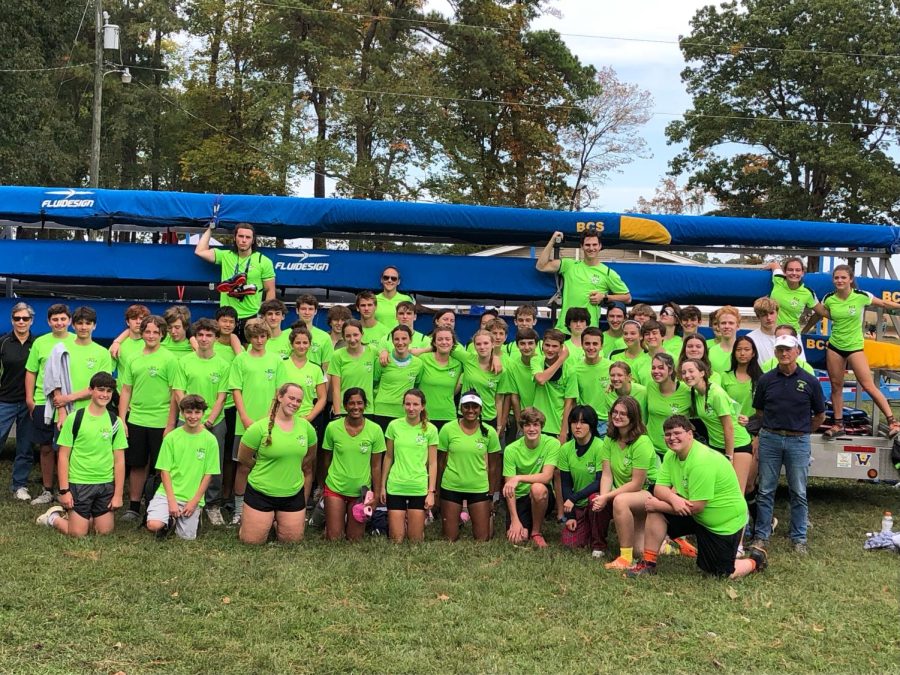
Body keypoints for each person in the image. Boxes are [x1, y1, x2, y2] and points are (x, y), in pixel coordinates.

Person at [624, 416, 767, 578]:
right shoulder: (671, 456)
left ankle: (756, 560)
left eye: (677, 433)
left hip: (723, 523)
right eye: (668, 434)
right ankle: (648, 564)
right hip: (697, 514)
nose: (672, 438)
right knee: (657, 509)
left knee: (721, 574)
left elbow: (697, 507)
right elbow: (659, 488)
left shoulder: (701, 461)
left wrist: (658, 505)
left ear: (690, 434)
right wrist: (673, 499)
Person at [750, 334, 826, 555]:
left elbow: (820, 415)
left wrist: (802, 432)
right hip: (771, 438)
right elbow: (760, 411)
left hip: (798, 440)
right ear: (775, 353)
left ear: (797, 352)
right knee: (765, 489)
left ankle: (799, 537)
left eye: (788, 349)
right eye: (780, 350)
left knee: (798, 491)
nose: (784, 353)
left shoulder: (810, 381)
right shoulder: (766, 379)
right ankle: (761, 535)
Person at [805, 264, 900, 437]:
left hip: (855, 348)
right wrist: (804, 330)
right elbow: (818, 314)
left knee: (868, 385)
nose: (839, 281)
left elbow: (884, 303)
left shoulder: (861, 296)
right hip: (835, 347)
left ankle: (893, 421)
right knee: (836, 386)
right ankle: (838, 425)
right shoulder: (829, 298)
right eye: (836, 278)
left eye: (843, 277)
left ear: (850, 279)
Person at [35, 373, 126, 538]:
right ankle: (53, 518)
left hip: (105, 484)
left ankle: (85, 517)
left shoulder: (115, 422)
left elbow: (119, 460)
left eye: (109, 391)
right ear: (91, 390)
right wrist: (64, 491)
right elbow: (63, 456)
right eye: (100, 390)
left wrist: (118, 494)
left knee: (104, 532)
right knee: (78, 533)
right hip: (79, 483)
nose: (104, 394)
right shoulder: (75, 418)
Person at [235, 383, 318, 544]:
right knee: (251, 542)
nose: (294, 403)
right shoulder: (258, 428)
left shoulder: (306, 428)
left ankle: (276, 520)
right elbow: (243, 458)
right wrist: (262, 469)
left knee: (292, 541)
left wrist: (292, 468)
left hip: (292, 493)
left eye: (299, 401)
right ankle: (252, 519)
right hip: (261, 492)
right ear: (280, 397)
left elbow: (310, 456)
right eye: (291, 398)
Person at [118, 315, 178, 522]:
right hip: (137, 419)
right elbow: (126, 390)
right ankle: (134, 506)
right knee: (137, 464)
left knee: (162, 467)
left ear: (162, 334)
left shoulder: (169, 359)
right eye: (148, 331)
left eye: (156, 332)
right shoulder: (134, 358)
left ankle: (157, 506)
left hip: (161, 421)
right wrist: (122, 419)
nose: (151, 335)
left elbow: (174, 394)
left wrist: (171, 423)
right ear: (141, 333)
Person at [171, 318, 230, 526]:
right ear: (195, 337)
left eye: (209, 335)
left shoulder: (223, 365)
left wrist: (209, 420)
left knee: (214, 464)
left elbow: (222, 396)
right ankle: (183, 500)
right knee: (182, 463)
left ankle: (212, 505)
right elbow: (178, 391)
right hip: (185, 422)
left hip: (214, 422)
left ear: (215, 338)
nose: (204, 339)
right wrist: (190, 417)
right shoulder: (185, 361)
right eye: (201, 335)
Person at [228, 318, 286, 526]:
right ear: (249, 338)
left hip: (271, 422)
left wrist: (270, 418)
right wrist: (244, 416)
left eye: (262, 336)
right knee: (243, 466)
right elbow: (236, 389)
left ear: (268, 337)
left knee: (271, 463)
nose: (259, 340)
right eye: (254, 337)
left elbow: (280, 392)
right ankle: (239, 509)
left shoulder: (276, 360)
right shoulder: (241, 360)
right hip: (244, 423)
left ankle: (272, 509)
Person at [146, 395, 220, 540]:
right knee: (154, 525)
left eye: (197, 412)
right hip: (168, 494)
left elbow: (208, 474)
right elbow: (164, 471)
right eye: (188, 412)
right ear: (182, 412)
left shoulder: (210, 440)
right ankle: (169, 520)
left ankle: (194, 517)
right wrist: (172, 501)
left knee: (186, 537)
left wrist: (194, 502)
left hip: (191, 497)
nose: (193, 417)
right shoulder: (171, 438)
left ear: (203, 414)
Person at [681, 359, 755, 504]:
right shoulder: (695, 393)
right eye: (683, 372)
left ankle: (745, 526)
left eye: (691, 371)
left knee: (736, 494)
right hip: (716, 446)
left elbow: (729, 427)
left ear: (702, 373)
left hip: (737, 446)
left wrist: (729, 456)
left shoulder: (716, 393)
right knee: (720, 491)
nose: (687, 375)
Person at [600, 396, 659, 570]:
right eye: (615, 413)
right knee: (640, 551)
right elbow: (606, 475)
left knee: (620, 500)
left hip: (647, 493)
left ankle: (625, 559)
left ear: (633, 417)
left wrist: (609, 496)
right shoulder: (609, 440)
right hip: (625, 493)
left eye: (623, 414)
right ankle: (668, 545)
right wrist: (603, 497)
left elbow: (636, 485)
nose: (617, 417)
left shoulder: (642, 442)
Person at [24, 303, 74, 505]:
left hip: (68, 402)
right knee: (45, 448)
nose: (59, 323)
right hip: (43, 402)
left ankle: (67, 489)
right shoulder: (40, 343)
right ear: (48, 321)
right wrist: (30, 398)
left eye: (63, 319)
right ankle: (47, 490)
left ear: (69, 321)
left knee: (67, 447)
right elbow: (31, 371)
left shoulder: (76, 341)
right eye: (55, 319)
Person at [536, 230, 631, 333]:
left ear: (600, 246)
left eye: (594, 245)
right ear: (581, 246)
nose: (591, 248)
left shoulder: (608, 273)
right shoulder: (569, 265)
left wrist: (604, 297)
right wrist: (552, 241)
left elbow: (627, 298)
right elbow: (541, 266)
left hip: (589, 332)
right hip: (565, 329)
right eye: (587, 245)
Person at [321, 388, 385, 541]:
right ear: (344, 405)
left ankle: (335, 522)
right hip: (335, 487)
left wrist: (375, 495)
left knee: (355, 539)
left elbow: (376, 466)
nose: (356, 407)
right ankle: (329, 522)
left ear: (365, 405)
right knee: (334, 538)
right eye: (351, 403)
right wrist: (325, 484)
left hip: (360, 493)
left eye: (360, 403)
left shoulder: (375, 430)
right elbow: (326, 459)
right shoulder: (332, 428)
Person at [438, 390, 501, 542]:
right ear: (460, 408)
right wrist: (436, 490)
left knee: (483, 538)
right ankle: (455, 518)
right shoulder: (447, 429)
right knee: (450, 538)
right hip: (452, 486)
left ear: (480, 409)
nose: (471, 410)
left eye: (475, 407)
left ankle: (482, 516)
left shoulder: (489, 432)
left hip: (478, 487)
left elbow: (494, 467)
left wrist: (491, 495)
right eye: (466, 406)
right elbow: (440, 462)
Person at [194, 221, 276, 336]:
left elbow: (270, 290)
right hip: (227, 317)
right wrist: (210, 229)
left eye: (247, 237)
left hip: (251, 316)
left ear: (253, 240)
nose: (243, 240)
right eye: (240, 236)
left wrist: (263, 318)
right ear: (235, 238)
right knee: (225, 351)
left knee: (250, 352)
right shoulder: (226, 255)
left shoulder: (264, 261)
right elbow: (200, 251)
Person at [380, 389, 438, 542]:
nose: (411, 408)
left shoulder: (430, 429)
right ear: (403, 405)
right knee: (397, 539)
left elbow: (432, 463)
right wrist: (382, 486)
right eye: (407, 404)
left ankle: (413, 522)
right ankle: (401, 523)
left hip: (418, 485)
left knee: (415, 540)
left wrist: (431, 491)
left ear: (422, 406)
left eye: (415, 404)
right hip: (396, 484)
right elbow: (388, 457)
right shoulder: (394, 426)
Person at [502, 408, 559, 548]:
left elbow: (546, 477)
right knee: (518, 538)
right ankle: (524, 525)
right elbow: (509, 490)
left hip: (541, 495)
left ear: (542, 427)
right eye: (527, 425)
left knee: (538, 488)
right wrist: (515, 520)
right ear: (521, 427)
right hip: (520, 497)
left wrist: (518, 478)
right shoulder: (511, 450)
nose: (532, 429)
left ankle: (536, 532)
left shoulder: (552, 443)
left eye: (536, 425)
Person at [49, 306, 113, 428]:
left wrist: (67, 398)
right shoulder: (60, 349)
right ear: (73, 325)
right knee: (62, 448)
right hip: (65, 414)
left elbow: (101, 387)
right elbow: (55, 382)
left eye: (88, 323)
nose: (84, 327)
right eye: (79, 323)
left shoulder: (103, 353)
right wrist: (62, 412)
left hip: (94, 414)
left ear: (94, 326)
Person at [558, 405, 609, 557]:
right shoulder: (566, 449)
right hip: (577, 504)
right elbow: (565, 484)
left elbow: (600, 481)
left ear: (591, 425)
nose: (578, 426)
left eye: (583, 422)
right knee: (570, 543)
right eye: (574, 422)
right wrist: (571, 515)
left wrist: (573, 498)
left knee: (595, 500)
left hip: (596, 500)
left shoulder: (601, 447)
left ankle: (599, 544)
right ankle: (586, 529)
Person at [2, 303, 36, 501]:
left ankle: (19, 485)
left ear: (31, 320)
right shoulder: (3, 342)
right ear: (12, 320)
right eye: (17, 318)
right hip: (4, 400)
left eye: (25, 318)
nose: (21, 322)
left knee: (25, 446)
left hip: (29, 402)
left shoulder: (39, 343)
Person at [372, 325, 423, 430]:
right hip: (382, 411)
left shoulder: (418, 363)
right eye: (396, 339)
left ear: (410, 340)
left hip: (403, 413)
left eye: (404, 338)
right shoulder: (382, 361)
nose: (400, 342)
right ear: (392, 341)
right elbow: (373, 383)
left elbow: (416, 387)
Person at [416, 326, 462, 432]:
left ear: (453, 343)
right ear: (434, 343)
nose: (444, 342)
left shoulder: (459, 364)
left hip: (448, 416)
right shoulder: (423, 359)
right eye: (440, 339)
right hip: (424, 416)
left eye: (447, 339)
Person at [645, 353, 691, 458]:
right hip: (652, 450)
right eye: (653, 368)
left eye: (661, 368)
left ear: (670, 370)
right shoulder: (650, 386)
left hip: (677, 451)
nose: (656, 371)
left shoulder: (686, 390)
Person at [328, 319, 377, 416]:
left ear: (362, 334)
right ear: (343, 337)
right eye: (348, 336)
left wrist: (384, 352)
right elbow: (336, 389)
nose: (352, 339)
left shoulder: (372, 351)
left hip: (366, 410)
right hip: (344, 410)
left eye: (355, 335)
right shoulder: (337, 355)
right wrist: (337, 413)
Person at [280, 325, 327, 423]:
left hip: (306, 419)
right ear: (291, 345)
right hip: (283, 418)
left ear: (310, 344)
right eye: (298, 343)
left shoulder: (316, 369)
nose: (302, 346)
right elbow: (276, 394)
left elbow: (322, 398)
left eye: (305, 343)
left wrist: (309, 418)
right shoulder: (281, 365)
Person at [574, 327, 612, 434]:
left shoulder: (611, 367)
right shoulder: (575, 369)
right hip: (584, 421)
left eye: (595, 344)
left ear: (601, 346)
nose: (591, 347)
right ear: (582, 345)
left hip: (607, 422)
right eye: (587, 343)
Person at [768, 258, 818, 334]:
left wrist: (805, 331)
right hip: (772, 333)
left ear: (802, 273)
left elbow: (821, 313)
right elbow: (774, 265)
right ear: (784, 272)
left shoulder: (807, 293)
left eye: (798, 270)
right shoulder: (778, 279)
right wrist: (762, 269)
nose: (794, 273)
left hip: (792, 335)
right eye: (790, 270)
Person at [294, 294, 334, 369]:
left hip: (316, 380)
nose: (307, 312)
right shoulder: (285, 335)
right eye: (303, 309)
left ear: (315, 311)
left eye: (310, 309)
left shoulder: (324, 337)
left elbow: (327, 368)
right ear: (297, 310)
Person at [108, 303, 150, 370]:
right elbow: (108, 371)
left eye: (141, 318)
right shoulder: (117, 345)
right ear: (127, 322)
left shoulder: (152, 343)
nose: (138, 322)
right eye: (134, 318)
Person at [608, 320, 649, 385]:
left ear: (641, 336)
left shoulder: (649, 356)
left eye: (632, 333)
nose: (628, 337)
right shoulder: (614, 357)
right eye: (625, 333)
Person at [746, 297, 779, 366]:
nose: (769, 318)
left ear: (777, 313)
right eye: (764, 315)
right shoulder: (750, 339)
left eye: (771, 313)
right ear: (758, 317)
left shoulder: (791, 336)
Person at [708, 306, 740, 374]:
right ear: (718, 326)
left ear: (738, 326)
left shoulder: (745, 352)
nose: (727, 326)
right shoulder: (710, 352)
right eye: (723, 323)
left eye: (731, 323)